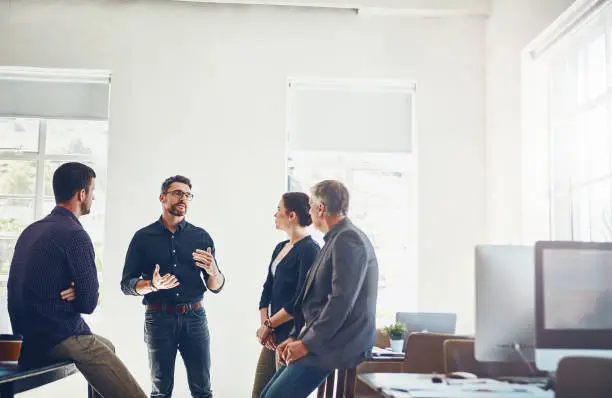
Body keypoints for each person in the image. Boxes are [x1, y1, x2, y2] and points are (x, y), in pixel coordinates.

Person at [7, 162, 146, 398]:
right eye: (92, 191)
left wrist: (75, 290)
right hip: (57, 337)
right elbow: (89, 302)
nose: (93, 197)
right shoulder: (75, 234)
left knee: (107, 346)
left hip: (27, 337)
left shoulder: (33, 229)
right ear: (81, 194)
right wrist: (79, 292)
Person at [260, 180, 379, 398]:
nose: (310, 210)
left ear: (321, 209)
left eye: (312, 205)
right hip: (323, 341)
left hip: (336, 344)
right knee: (266, 395)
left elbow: (340, 302)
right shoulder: (333, 240)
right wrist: (297, 336)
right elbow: (314, 302)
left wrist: (306, 343)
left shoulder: (348, 239)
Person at [121, 175, 225, 398]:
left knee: (203, 390)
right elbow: (126, 284)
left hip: (195, 318)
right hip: (159, 320)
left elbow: (215, 286)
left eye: (187, 195)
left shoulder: (201, 236)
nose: (183, 198)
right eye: (177, 193)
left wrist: (214, 270)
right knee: (160, 391)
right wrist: (152, 284)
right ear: (162, 197)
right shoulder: (142, 237)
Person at [252, 192, 320, 398]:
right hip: (272, 335)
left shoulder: (310, 249)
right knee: (259, 394)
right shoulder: (280, 247)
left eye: (278, 210)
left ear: (291, 215)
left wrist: (269, 325)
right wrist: (266, 326)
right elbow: (267, 290)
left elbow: (300, 299)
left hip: (291, 336)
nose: (275, 214)